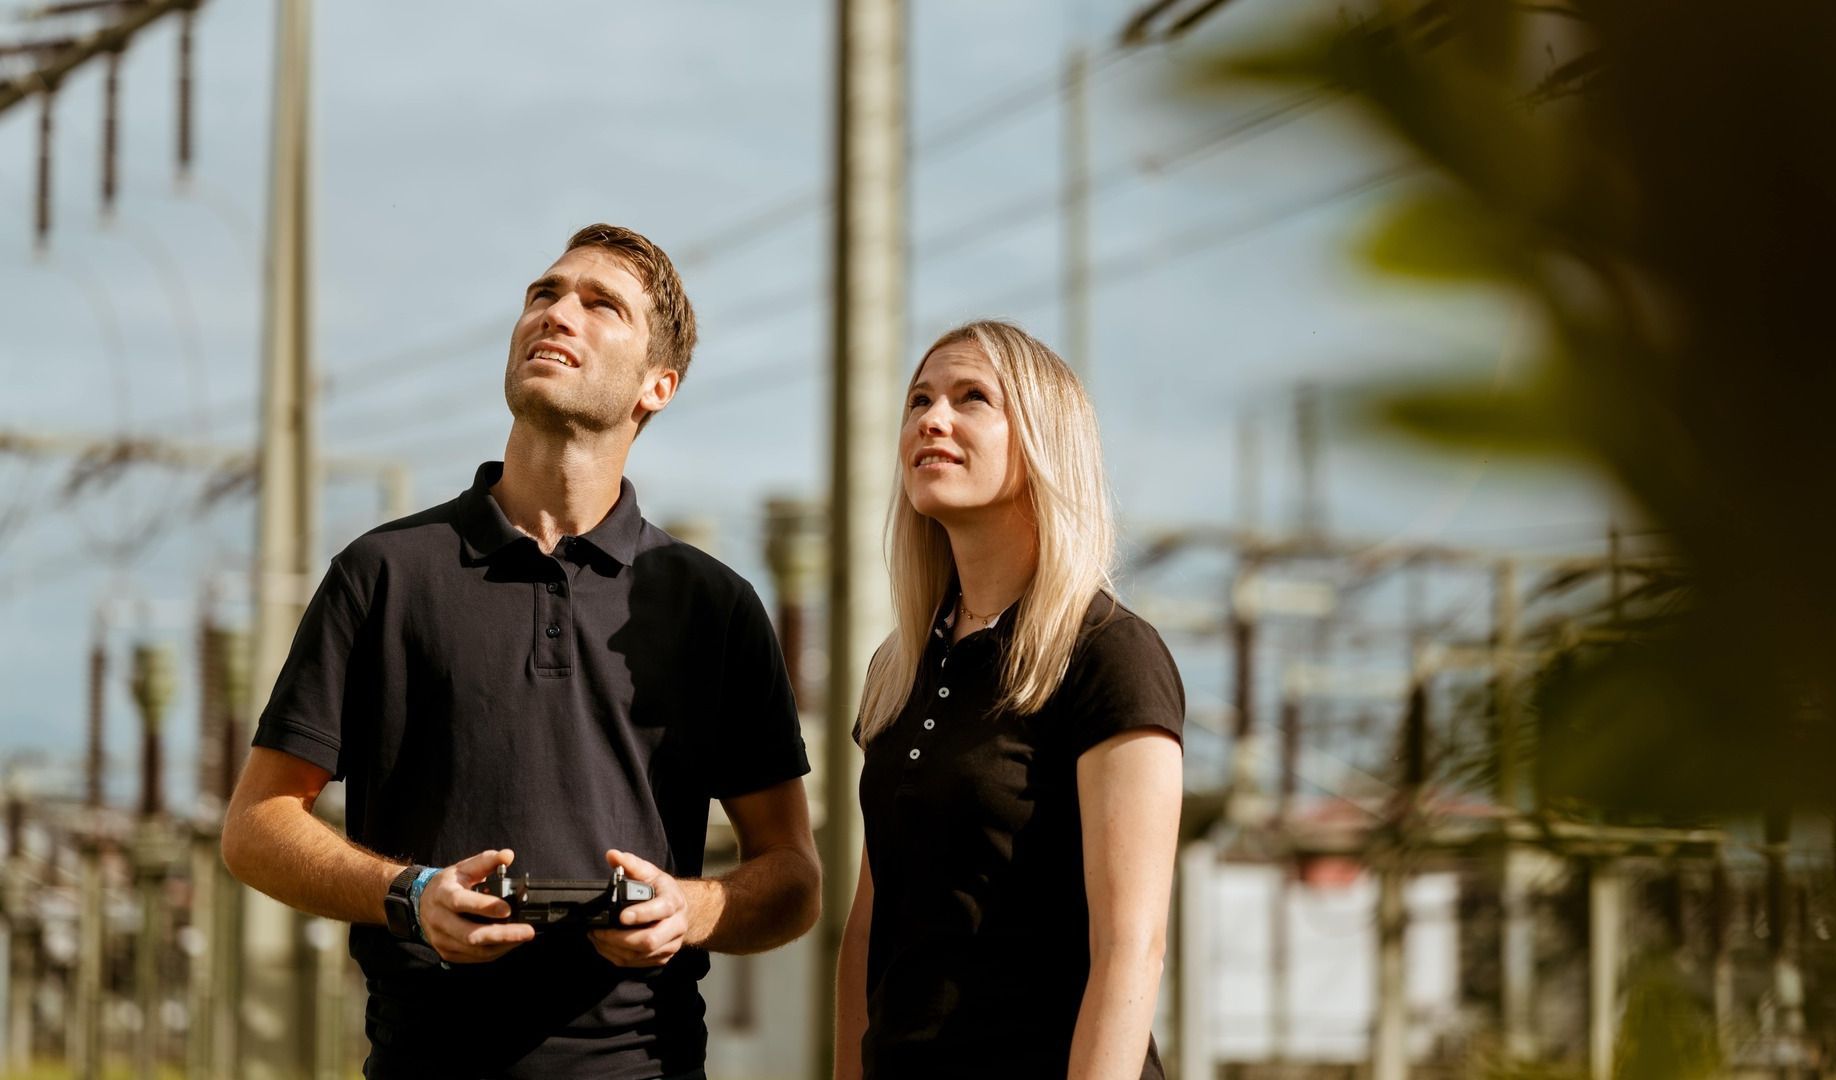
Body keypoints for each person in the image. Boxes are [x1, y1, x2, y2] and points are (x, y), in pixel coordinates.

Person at [222, 224, 821, 1080]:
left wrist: (691, 909)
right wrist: (410, 897)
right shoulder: (383, 574)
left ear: (660, 385)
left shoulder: (713, 605)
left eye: (599, 304)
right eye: (544, 294)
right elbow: (255, 826)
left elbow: (794, 876)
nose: (556, 313)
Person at [832, 320, 1186, 1079]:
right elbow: (868, 929)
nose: (932, 418)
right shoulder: (894, 671)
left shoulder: (1109, 654)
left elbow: (1132, 948)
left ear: (1042, 443)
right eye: (919, 399)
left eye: (972, 398)